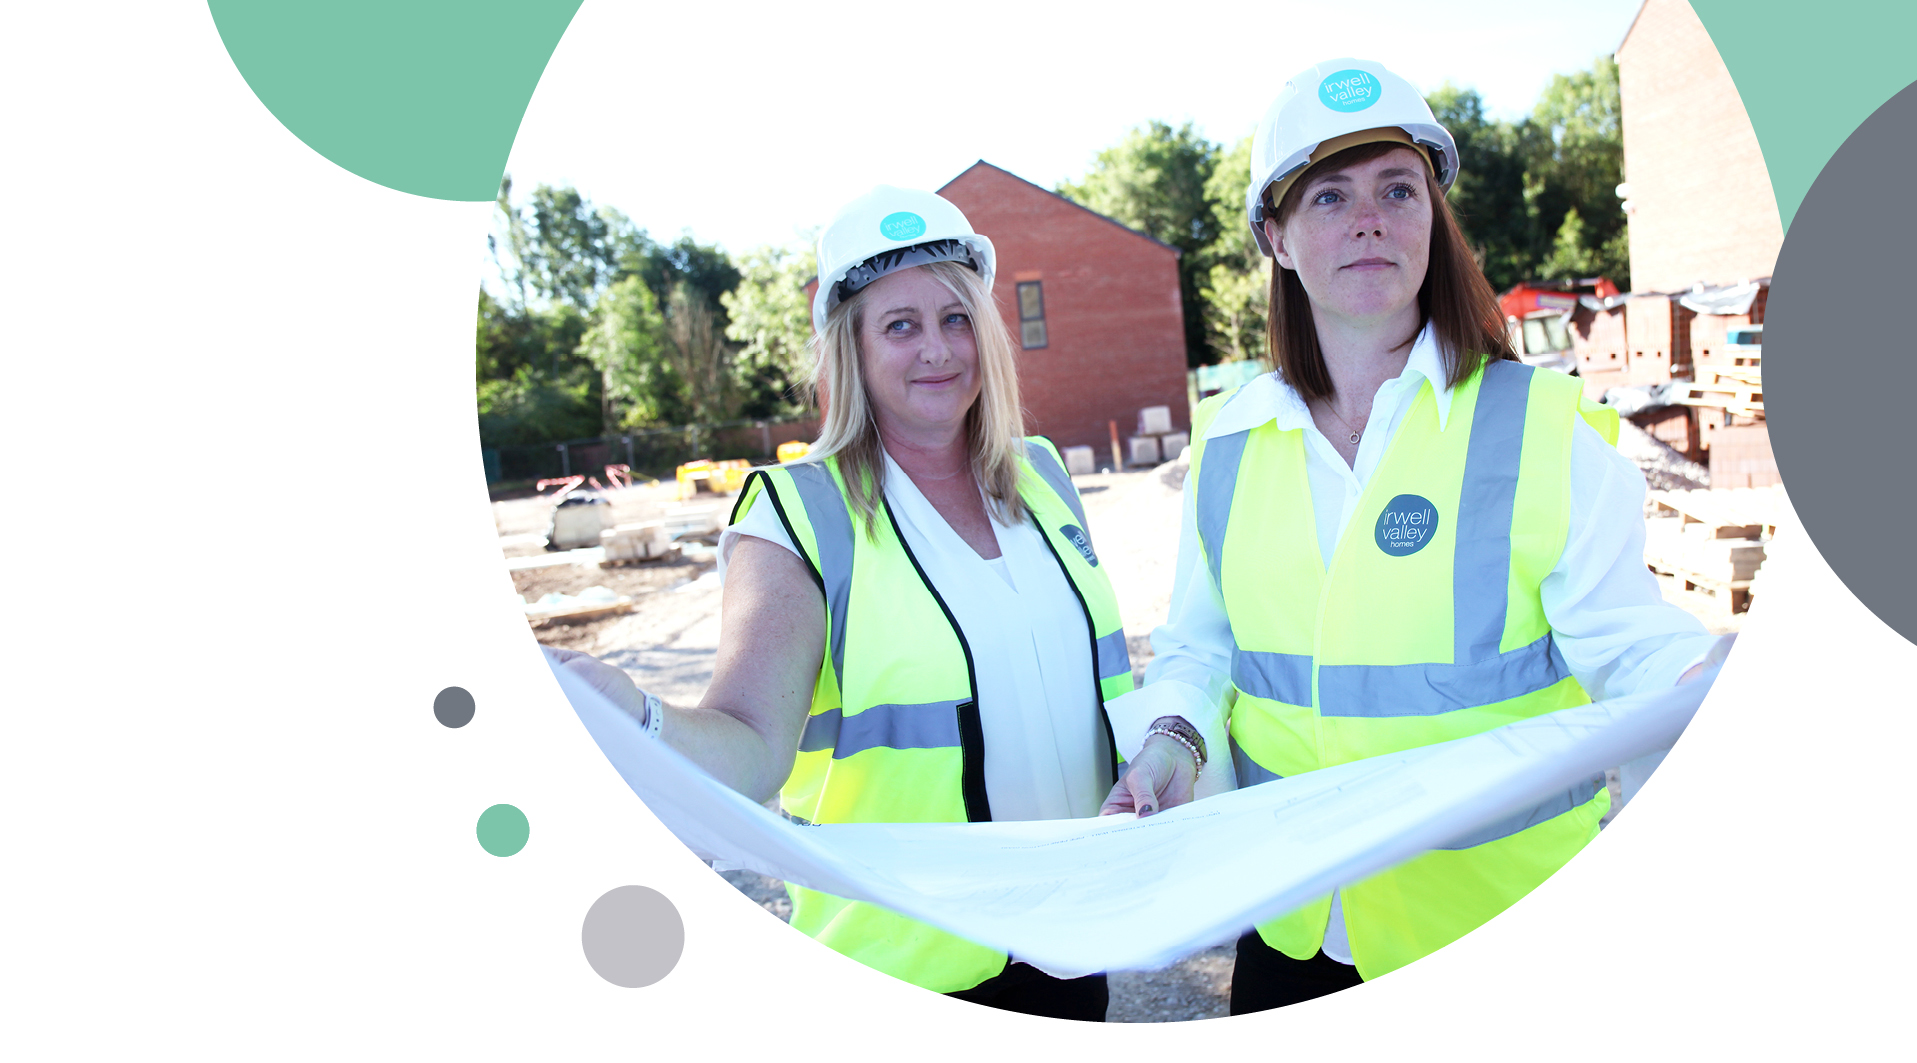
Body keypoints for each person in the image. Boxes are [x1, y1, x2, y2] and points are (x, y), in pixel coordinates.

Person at [1097, 58, 1723, 1013]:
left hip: (1494, 935)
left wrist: (1710, 683)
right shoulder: (1232, 444)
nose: (1370, 219)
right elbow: (1201, 646)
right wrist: (1171, 739)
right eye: (1329, 196)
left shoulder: (1540, 425)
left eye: (1398, 188)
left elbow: (1630, 642)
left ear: (1433, 215)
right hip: (1292, 926)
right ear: (1275, 236)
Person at [553, 185, 1151, 1021]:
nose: (936, 349)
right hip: (910, 966)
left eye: (954, 318)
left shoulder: (1043, 477)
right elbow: (752, 750)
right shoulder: (797, 514)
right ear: (852, 349)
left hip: (1068, 935)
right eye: (898, 325)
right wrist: (642, 718)